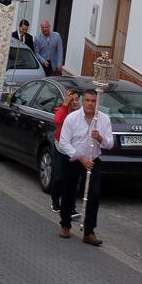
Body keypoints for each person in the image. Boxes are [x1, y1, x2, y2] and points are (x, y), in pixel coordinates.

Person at [58, 88, 114, 245]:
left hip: (93, 160)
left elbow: (110, 144)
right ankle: (65, 224)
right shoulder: (72, 118)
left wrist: (100, 138)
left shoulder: (104, 119)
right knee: (69, 191)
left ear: (98, 102)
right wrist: (80, 157)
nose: (90, 104)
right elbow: (63, 143)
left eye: (93, 101)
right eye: (88, 100)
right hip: (74, 159)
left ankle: (89, 231)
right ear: (83, 101)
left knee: (94, 193)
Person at [52, 86, 81, 215]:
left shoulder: (81, 114)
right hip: (61, 149)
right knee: (59, 178)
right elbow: (57, 120)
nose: (74, 102)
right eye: (71, 99)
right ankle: (55, 202)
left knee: (74, 180)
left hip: (74, 151)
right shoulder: (62, 110)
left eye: (76, 99)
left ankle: (71, 207)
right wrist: (65, 104)